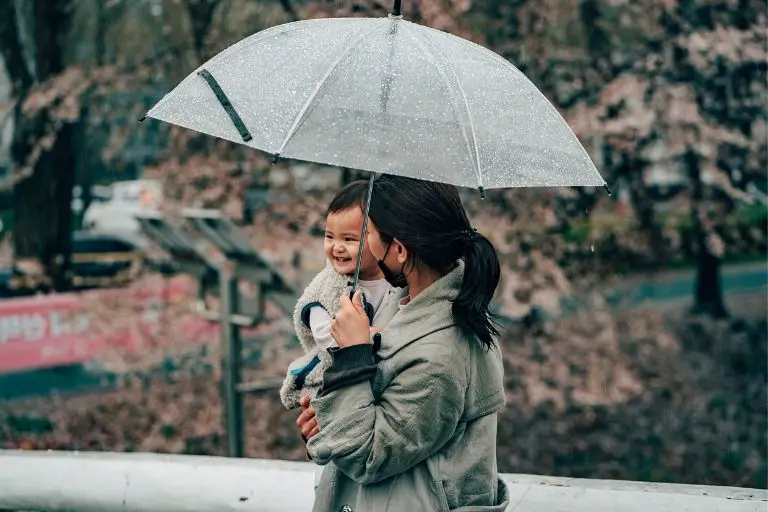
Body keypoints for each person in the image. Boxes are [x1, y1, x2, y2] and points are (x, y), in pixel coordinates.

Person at [296, 175, 509, 511]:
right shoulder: (409, 306)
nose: (368, 249)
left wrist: (353, 356)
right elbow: (372, 421)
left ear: (398, 249)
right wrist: (328, 428)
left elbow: (369, 456)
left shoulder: (440, 353)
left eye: (370, 237)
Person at [280, 180, 405, 487]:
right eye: (329, 236)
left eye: (350, 239)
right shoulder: (331, 286)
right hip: (337, 370)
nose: (336, 247)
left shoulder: (399, 285)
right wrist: (365, 337)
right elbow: (325, 333)